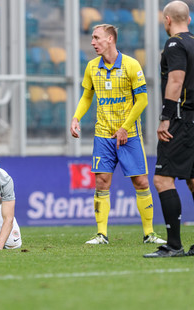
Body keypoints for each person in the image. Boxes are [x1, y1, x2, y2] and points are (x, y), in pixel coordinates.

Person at [70, 24, 166, 245]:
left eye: (96, 38)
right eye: (92, 38)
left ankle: (149, 233)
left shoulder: (131, 65)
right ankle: (101, 234)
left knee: (141, 182)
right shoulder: (92, 67)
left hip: (129, 134)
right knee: (101, 182)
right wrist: (76, 117)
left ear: (110, 39)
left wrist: (125, 127)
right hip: (103, 135)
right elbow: (87, 97)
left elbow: (142, 100)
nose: (93, 42)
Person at [144, 1, 194, 258]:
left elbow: (176, 79)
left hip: (181, 117)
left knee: (163, 179)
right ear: (189, 19)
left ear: (167, 20)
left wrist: (166, 117)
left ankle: (173, 245)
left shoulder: (175, 44)